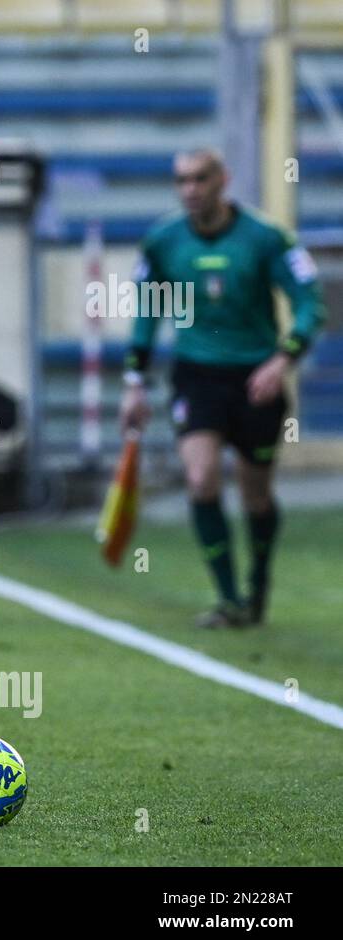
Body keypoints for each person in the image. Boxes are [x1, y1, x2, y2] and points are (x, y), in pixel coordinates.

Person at [120, 148, 326, 627]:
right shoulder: (162, 242)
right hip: (197, 375)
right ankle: (229, 597)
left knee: (255, 495)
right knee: (200, 478)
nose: (189, 190)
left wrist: (284, 357)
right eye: (181, 181)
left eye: (199, 179)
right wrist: (134, 383)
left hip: (257, 378)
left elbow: (309, 303)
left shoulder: (267, 239)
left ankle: (259, 585)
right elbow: (146, 317)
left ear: (222, 180)